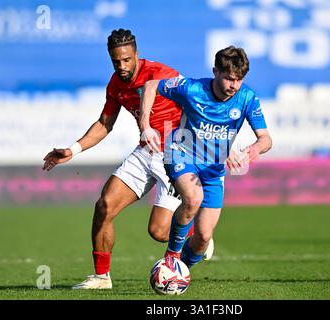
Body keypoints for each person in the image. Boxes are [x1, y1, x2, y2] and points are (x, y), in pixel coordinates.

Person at [42, 29, 211, 290]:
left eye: (126, 60)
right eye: (116, 61)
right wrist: (72, 150)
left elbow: (196, 102)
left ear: (136, 55)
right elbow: (104, 124)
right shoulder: (116, 83)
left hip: (178, 154)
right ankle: (101, 277)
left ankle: (198, 238)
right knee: (104, 206)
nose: (121, 66)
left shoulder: (161, 74)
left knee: (159, 232)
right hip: (145, 152)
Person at [140, 46, 272, 272]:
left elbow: (266, 139)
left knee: (203, 237)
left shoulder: (247, 97)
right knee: (193, 198)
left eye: (239, 80)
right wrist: (146, 126)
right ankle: (171, 258)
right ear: (215, 72)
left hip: (213, 168)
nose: (234, 86)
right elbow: (151, 86)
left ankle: (180, 273)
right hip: (181, 152)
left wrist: (255, 149)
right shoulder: (191, 88)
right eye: (229, 78)